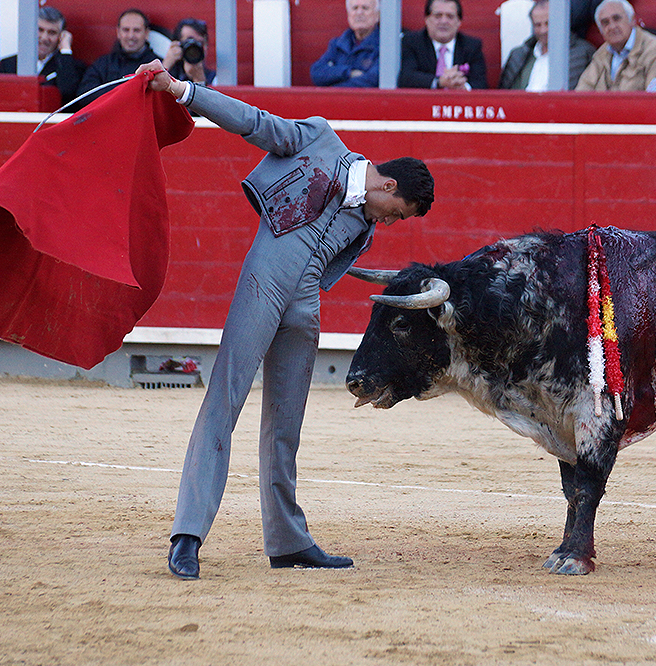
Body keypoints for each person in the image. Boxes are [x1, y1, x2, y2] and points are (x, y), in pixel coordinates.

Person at [132, 60, 435, 579]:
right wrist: (182, 90)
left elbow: (331, 259)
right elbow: (253, 122)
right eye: (397, 212)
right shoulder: (321, 141)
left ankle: (287, 540)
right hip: (263, 284)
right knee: (224, 398)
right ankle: (187, 534)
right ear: (387, 184)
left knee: (285, 425)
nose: (390, 222)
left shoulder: (365, 222)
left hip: (304, 307)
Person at [575, 0, 656, 92]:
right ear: (601, 31)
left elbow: (654, 100)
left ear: (632, 20)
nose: (612, 26)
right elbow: (581, 94)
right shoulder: (601, 54)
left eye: (617, 18)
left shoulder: (655, 49)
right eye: (605, 22)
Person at [0, 6, 87, 105]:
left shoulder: (72, 67)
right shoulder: (8, 65)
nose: (44, 38)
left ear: (61, 36)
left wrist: (65, 49)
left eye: (52, 33)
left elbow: (67, 93)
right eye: (40, 30)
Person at [500, 0, 595, 90]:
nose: (543, 30)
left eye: (548, 23)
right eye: (538, 25)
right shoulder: (519, 55)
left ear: (560, 22)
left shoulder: (583, 53)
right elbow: (503, 94)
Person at [398, 0, 487, 90]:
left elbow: (481, 83)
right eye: (438, 16)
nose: (444, 21)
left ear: (459, 21)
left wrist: (463, 87)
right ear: (427, 19)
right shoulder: (411, 42)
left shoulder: (472, 46)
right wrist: (439, 82)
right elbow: (406, 77)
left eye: (450, 16)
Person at [76, 9, 157, 101]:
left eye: (136, 30)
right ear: (118, 32)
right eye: (126, 30)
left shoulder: (155, 65)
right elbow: (84, 95)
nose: (131, 36)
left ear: (146, 33)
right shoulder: (103, 64)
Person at [310, 0, 380, 87]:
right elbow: (317, 73)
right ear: (348, 15)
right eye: (354, 8)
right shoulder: (337, 44)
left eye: (365, 8)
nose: (359, 13)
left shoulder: (384, 45)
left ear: (377, 15)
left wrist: (331, 89)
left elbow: (373, 80)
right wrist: (349, 73)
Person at [163, 18, 216, 86]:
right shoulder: (170, 73)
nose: (195, 48)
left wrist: (199, 79)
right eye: (190, 41)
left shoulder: (214, 78)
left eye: (200, 43)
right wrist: (166, 64)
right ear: (178, 44)